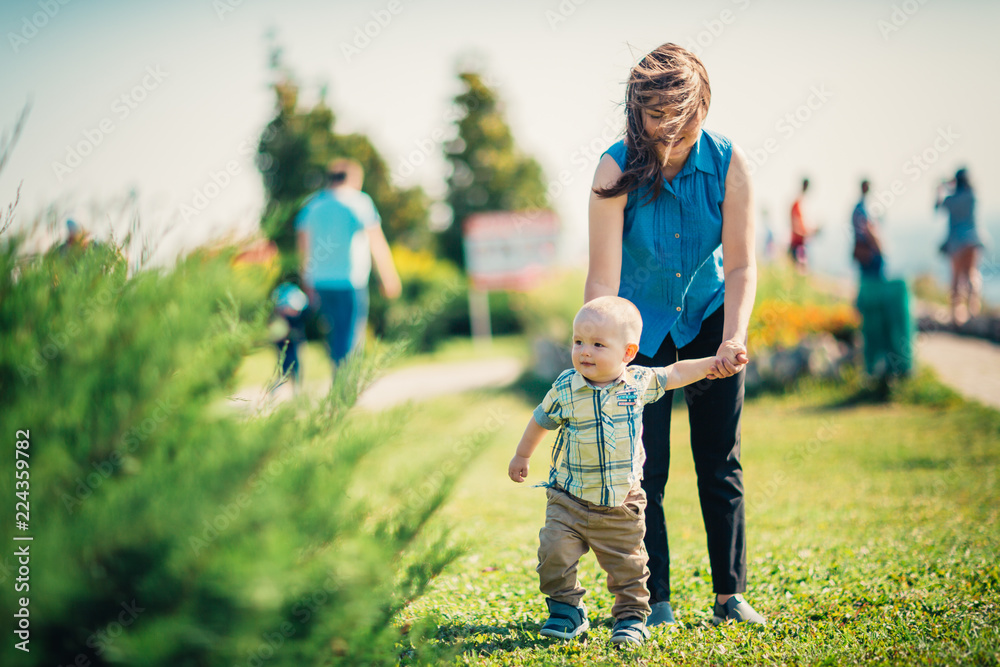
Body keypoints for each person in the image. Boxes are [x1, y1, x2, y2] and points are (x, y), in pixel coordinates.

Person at [586, 43, 765, 628]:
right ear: (636, 110)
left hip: (711, 316)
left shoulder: (730, 164)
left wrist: (733, 335)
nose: (666, 129)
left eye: (678, 115)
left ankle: (729, 596)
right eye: (654, 115)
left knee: (719, 459)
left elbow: (740, 264)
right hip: (638, 328)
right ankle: (653, 601)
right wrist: (597, 351)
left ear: (702, 107)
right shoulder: (613, 169)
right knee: (643, 470)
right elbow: (603, 278)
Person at [508, 296, 721, 647]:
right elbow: (540, 419)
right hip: (569, 498)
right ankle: (566, 609)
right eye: (578, 341)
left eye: (597, 344)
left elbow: (675, 372)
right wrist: (521, 455)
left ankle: (631, 618)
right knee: (553, 553)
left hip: (621, 502)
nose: (584, 352)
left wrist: (711, 364)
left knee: (629, 568)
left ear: (628, 352)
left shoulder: (638, 383)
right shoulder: (566, 387)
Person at [295, 158, 402, 371]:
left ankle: (339, 379)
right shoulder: (359, 202)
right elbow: (377, 243)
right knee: (350, 334)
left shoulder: (312, 205)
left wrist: (306, 280)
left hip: (320, 281)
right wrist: (388, 276)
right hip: (350, 280)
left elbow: (303, 247)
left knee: (334, 334)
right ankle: (343, 387)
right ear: (353, 179)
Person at [935, 168, 984, 326]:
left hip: (955, 241)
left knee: (956, 278)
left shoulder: (951, 199)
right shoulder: (972, 196)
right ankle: (973, 309)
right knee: (971, 274)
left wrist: (943, 187)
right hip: (973, 239)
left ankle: (956, 314)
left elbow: (937, 207)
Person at [851, 180, 885, 280]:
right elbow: (867, 230)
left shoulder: (861, 207)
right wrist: (878, 246)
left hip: (864, 249)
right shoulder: (862, 208)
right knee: (874, 279)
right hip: (867, 250)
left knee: (866, 278)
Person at [789, 178, 817, 272]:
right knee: (799, 273)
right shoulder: (797, 204)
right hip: (797, 245)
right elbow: (796, 227)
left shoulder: (802, 204)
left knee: (802, 273)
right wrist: (808, 233)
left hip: (802, 244)